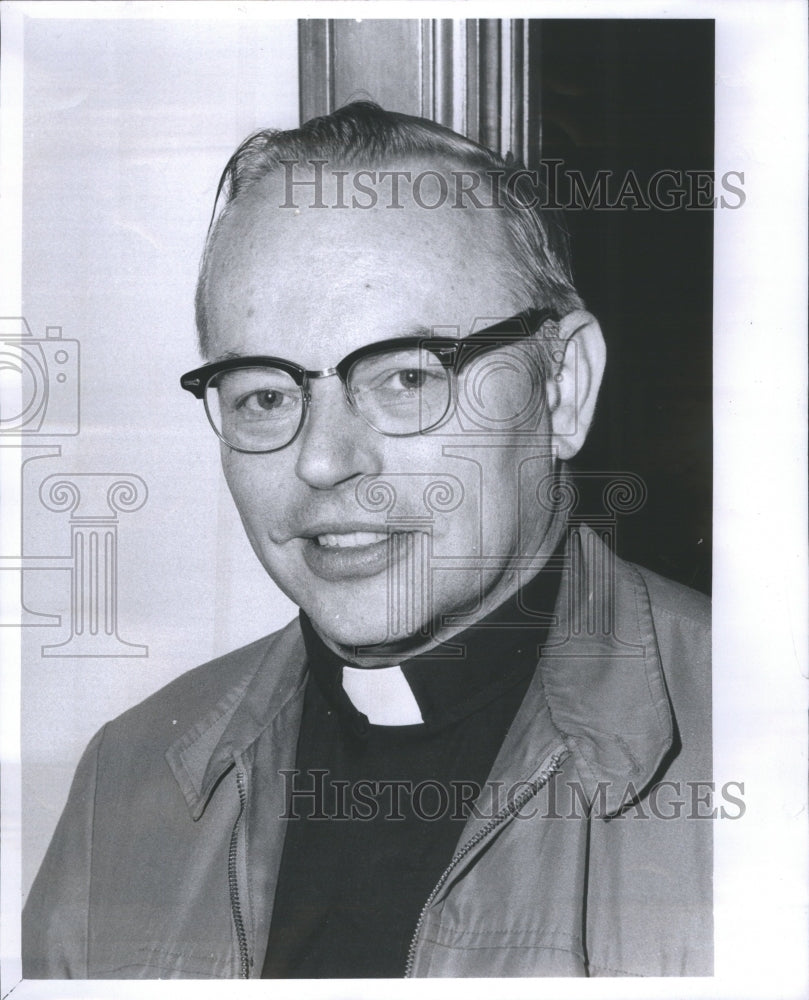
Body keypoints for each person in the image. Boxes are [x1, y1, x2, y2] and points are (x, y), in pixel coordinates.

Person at [22, 102, 711, 979]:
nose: (320, 461)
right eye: (265, 394)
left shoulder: (764, 752)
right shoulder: (126, 787)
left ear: (562, 387)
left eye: (407, 377)